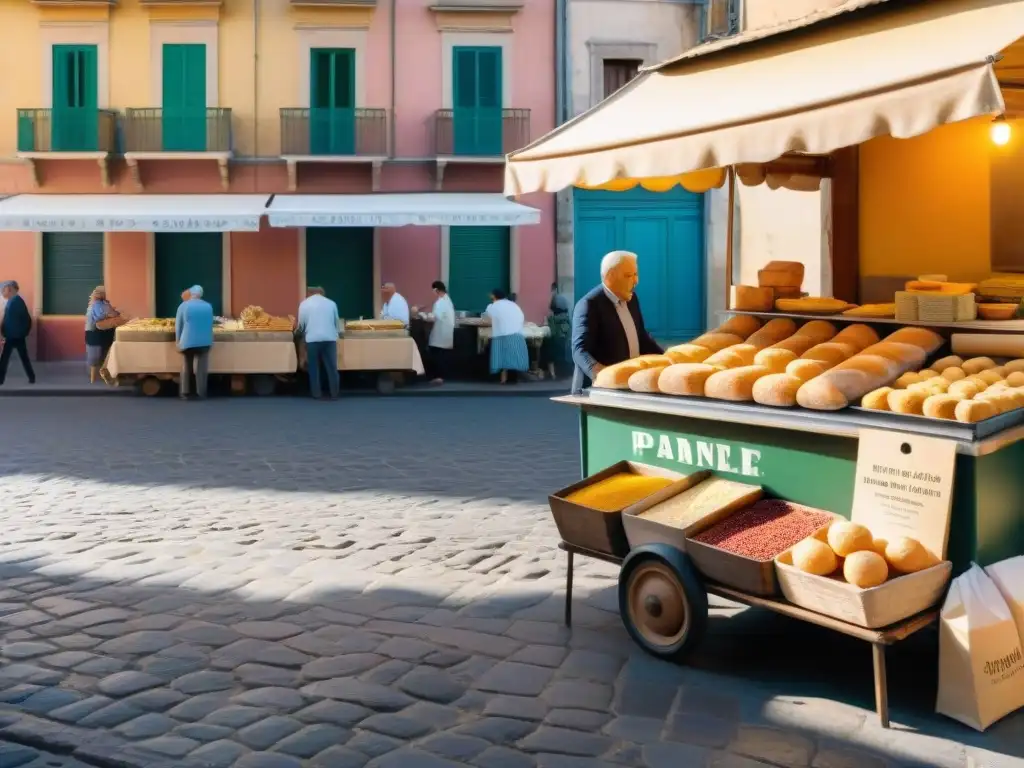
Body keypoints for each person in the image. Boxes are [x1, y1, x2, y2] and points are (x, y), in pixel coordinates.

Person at [571, 250, 662, 392]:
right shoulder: (589, 305)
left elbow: (641, 338)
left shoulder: (632, 300)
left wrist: (668, 360)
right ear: (610, 277)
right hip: (597, 392)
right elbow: (580, 350)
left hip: (629, 387)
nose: (636, 281)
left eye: (636, 274)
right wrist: (602, 376)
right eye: (628, 276)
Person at [297, 286, 340, 400]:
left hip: (312, 339)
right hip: (330, 339)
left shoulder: (304, 304)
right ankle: (334, 393)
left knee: (314, 367)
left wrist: (299, 334)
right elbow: (337, 322)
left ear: (310, 293)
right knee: (332, 368)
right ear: (321, 293)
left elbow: (301, 325)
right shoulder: (331, 303)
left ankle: (316, 394)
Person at [175, 285, 214, 400]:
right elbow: (210, 324)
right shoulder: (208, 306)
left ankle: (185, 391)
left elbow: (178, 326)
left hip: (188, 341)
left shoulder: (183, 306)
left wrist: (178, 342)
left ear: (191, 293)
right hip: (205, 342)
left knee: (187, 366)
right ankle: (201, 392)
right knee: (202, 368)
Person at [483, 288, 529, 384]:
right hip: (517, 335)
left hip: (502, 335)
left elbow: (486, 318)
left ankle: (502, 379)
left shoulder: (493, 306)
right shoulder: (514, 305)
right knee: (513, 357)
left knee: (502, 357)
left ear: (493, 296)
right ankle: (512, 378)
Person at [85, 286, 125, 384]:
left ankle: (102, 377)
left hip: (104, 332)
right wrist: (109, 314)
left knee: (104, 354)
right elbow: (98, 317)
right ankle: (93, 379)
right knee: (95, 356)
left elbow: (112, 312)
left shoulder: (104, 303)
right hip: (95, 333)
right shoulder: (95, 304)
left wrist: (116, 312)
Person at [0, 281, 35, 386]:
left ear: (10, 289)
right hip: (14, 335)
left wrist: (21, 333)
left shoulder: (16, 302)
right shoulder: (13, 301)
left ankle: (1, 379)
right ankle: (31, 377)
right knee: (22, 358)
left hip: (14, 336)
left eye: (4, 289)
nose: (2, 292)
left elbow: (25, 320)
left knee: (5, 359)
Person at [427, 280, 455, 386]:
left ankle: (438, 377)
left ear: (436, 290)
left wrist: (424, 316)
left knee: (437, 355)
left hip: (440, 333)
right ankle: (440, 377)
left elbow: (435, 317)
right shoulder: (448, 300)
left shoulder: (440, 302)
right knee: (442, 355)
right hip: (446, 333)